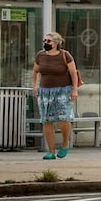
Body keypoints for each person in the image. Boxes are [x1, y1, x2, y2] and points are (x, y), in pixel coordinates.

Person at [31, 31, 81, 160]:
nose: (46, 43)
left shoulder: (65, 55)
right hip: (45, 91)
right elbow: (35, 71)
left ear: (56, 43)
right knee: (46, 120)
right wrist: (34, 86)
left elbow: (73, 73)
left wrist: (74, 89)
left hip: (63, 90)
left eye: (48, 41)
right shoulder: (40, 55)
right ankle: (51, 151)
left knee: (64, 118)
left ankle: (65, 143)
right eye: (44, 41)